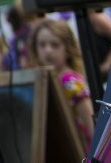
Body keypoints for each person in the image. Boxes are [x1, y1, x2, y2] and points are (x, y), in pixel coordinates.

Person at [30, 18, 95, 150]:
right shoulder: (43, 79)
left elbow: (90, 123)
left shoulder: (71, 81)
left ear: (68, 50)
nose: (47, 50)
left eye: (55, 45)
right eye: (42, 45)